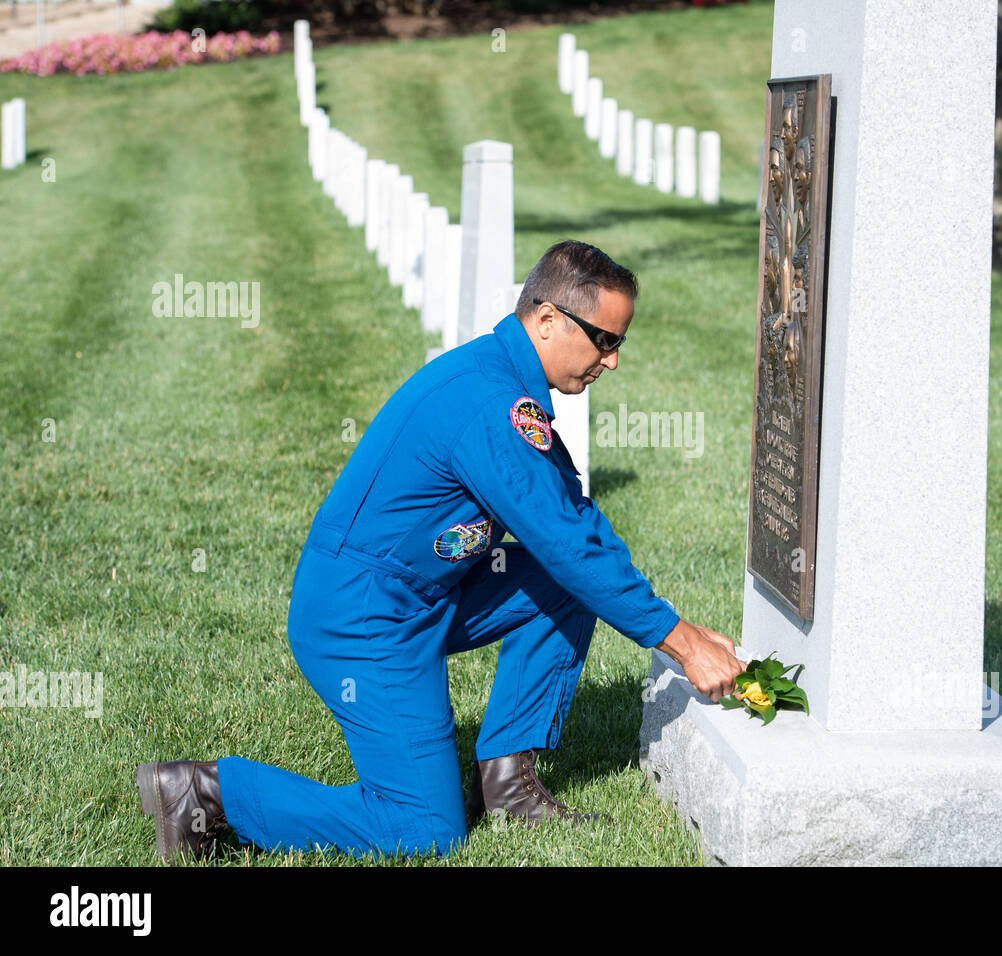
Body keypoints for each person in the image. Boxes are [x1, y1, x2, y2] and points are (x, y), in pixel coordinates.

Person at [135, 239, 747, 863]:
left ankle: (508, 787)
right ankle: (205, 793)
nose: (612, 361)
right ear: (546, 319)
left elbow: (575, 527)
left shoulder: (504, 382)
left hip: (419, 597)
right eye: (605, 340)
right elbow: (568, 543)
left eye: (618, 343)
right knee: (423, 830)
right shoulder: (491, 405)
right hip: (363, 622)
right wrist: (681, 642)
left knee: (563, 583)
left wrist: (678, 624)